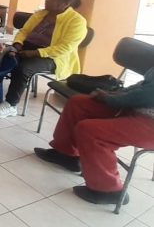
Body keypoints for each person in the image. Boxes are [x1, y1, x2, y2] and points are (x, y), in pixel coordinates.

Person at [33, 67, 154, 206]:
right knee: (78, 103)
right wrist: (115, 94)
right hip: (136, 107)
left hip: (149, 121)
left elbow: (148, 95)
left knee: (90, 131)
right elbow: (144, 86)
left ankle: (108, 190)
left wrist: (110, 98)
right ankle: (66, 155)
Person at [0, 0, 87, 119]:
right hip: (28, 48)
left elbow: (65, 48)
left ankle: (11, 105)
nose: (46, 0)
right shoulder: (41, 14)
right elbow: (24, 31)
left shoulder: (77, 21)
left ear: (64, 4)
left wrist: (34, 53)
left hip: (54, 57)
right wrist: (18, 44)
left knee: (23, 68)